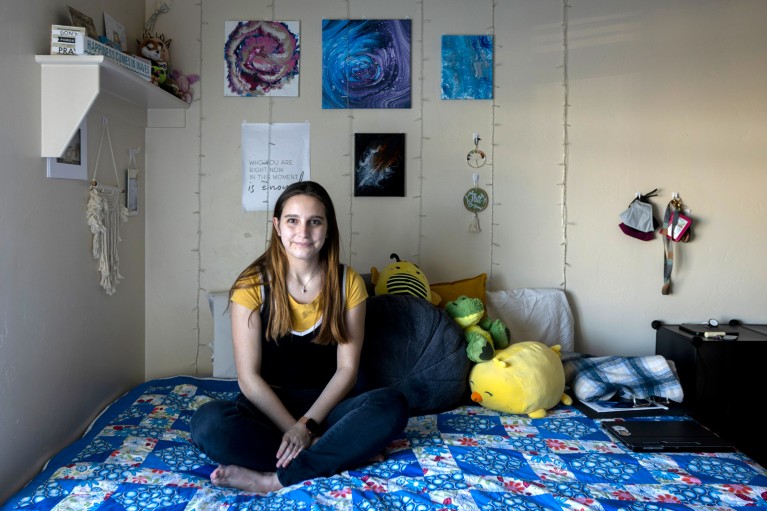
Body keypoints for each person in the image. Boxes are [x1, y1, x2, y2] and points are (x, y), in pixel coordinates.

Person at [191, 180, 408, 493]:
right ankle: (334, 454)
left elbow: (347, 371)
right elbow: (249, 379)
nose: (303, 232)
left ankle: (274, 480)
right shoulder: (251, 285)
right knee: (207, 424)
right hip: (268, 410)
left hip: (329, 409)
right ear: (277, 226)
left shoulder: (348, 283)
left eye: (314, 221)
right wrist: (295, 430)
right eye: (292, 220)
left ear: (328, 228)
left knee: (392, 404)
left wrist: (307, 425)